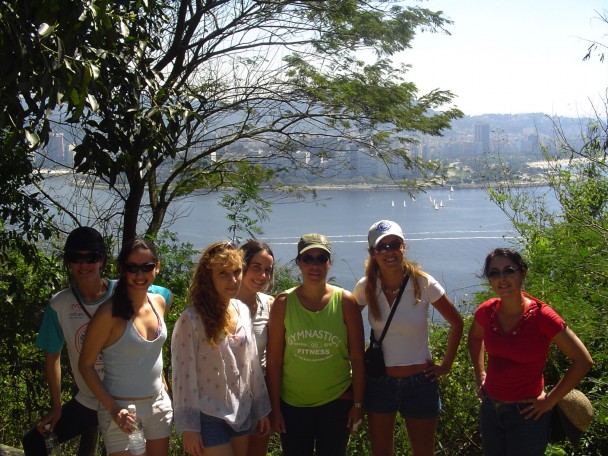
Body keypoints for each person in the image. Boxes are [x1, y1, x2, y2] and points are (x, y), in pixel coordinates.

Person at [353, 220, 463, 456]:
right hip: (380, 382)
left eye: (395, 244)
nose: (389, 252)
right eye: (382, 247)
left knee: (423, 452)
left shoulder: (422, 283)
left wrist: (446, 365)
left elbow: (457, 322)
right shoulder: (366, 287)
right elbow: (347, 324)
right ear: (373, 253)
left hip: (420, 382)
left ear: (404, 247)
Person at [468, 248, 593, 455]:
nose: (502, 278)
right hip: (491, 409)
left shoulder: (541, 316)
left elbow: (583, 360)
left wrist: (551, 400)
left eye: (509, 270)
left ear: (522, 274)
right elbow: (474, 338)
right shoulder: (486, 311)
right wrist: (480, 374)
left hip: (527, 415)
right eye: (494, 273)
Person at [266, 233, 365, 456]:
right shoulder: (284, 303)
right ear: (298, 263)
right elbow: (274, 359)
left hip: (337, 401)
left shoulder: (346, 301)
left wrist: (358, 405)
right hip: (292, 404)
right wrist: (275, 408)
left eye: (321, 258)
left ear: (329, 262)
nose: (314, 265)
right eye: (307, 258)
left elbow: (358, 357)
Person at [171, 241, 271, 456]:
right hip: (208, 414)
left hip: (241, 410)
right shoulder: (191, 319)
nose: (233, 280)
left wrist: (261, 410)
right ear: (209, 278)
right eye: (223, 274)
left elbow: (252, 365)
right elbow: (183, 375)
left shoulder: (242, 310)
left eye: (237, 272)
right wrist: (189, 427)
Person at [22, 227, 114, 456]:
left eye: (91, 257)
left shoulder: (124, 291)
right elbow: (52, 355)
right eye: (76, 258)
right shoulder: (59, 305)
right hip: (90, 399)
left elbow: (163, 299)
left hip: (124, 396)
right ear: (68, 263)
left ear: (101, 260)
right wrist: (56, 406)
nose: (84, 265)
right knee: (35, 442)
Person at [79, 238, 173, 456]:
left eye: (147, 267)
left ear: (156, 268)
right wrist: (113, 408)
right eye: (132, 268)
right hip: (121, 410)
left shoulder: (159, 302)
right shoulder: (108, 313)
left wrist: (162, 380)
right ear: (122, 270)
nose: (140, 275)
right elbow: (85, 365)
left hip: (158, 404)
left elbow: (151, 350)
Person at [236, 240, 275, 456]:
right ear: (242, 266)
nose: (262, 276)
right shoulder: (221, 305)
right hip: (225, 399)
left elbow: (276, 357)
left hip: (260, 399)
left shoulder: (270, 305)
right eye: (256, 268)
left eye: (267, 270)